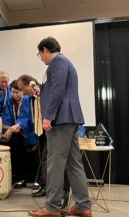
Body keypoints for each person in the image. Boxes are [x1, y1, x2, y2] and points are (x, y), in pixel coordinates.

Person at [28, 37, 92, 217]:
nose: (41, 58)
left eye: (40, 54)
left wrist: (48, 116)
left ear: (46, 49)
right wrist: (42, 91)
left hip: (61, 119)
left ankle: (52, 208)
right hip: (69, 118)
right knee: (74, 164)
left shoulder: (57, 62)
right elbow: (58, 88)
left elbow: (58, 90)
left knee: (55, 164)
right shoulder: (64, 63)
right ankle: (82, 206)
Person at [1, 80, 37, 188]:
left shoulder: (28, 100)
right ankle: (21, 178)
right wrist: (8, 129)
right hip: (16, 133)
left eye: (17, 92)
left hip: (29, 132)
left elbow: (26, 117)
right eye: (13, 92)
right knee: (18, 156)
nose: (15, 95)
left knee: (33, 157)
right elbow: (7, 117)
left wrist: (17, 125)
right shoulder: (9, 101)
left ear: (22, 91)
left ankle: (37, 179)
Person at [17, 75, 47, 197]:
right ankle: (45, 186)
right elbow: (24, 117)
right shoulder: (26, 100)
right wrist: (18, 125)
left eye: (23, 88)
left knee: (47, 159)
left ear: (31, 84)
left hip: (49, 129)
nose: (22, 92)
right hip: (37, 131)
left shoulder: (43, 93)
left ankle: (56, 188)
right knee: (43, 159)